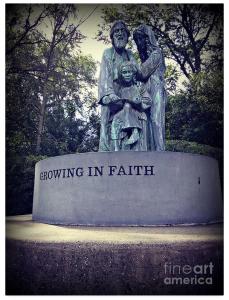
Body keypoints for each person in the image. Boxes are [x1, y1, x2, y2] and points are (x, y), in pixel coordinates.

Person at [98, 20, 139, 151]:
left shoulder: (130, 54)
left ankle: (129, 144)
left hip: (127, 92)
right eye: (116, 32)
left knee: (131, 108)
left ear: (127, 37)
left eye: (123, 32)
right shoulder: (107, 53)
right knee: (105, 109)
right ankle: (104, 148)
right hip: (110, 91)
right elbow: (105, 76)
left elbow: (137, 72)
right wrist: (109, 94)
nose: (120, 34)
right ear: (112, 36)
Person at [133, 24, 167, 151]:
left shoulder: (156, 53)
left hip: (156, 88)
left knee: (156, 120)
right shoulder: (145, 58)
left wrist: (130, 66)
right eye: (136, 40)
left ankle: (160, 151)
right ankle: (149, 150)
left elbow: (142, 72)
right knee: (145, 120)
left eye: (140, 39)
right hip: (147, 89)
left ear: (147, 39)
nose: (138, 43)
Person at [111, 61, 152, 151]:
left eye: (129, 72)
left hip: (138, 114)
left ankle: (135, 131)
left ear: (133, 73)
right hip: (123, 115)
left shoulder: (139, 87)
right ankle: (116, 148)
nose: (127, 75)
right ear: (121, 74)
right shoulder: (120, 89)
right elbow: (115, 106)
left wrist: (139, 101)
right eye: (124, 72)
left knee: (127, 106)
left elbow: (148, 102)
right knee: (116, 118)